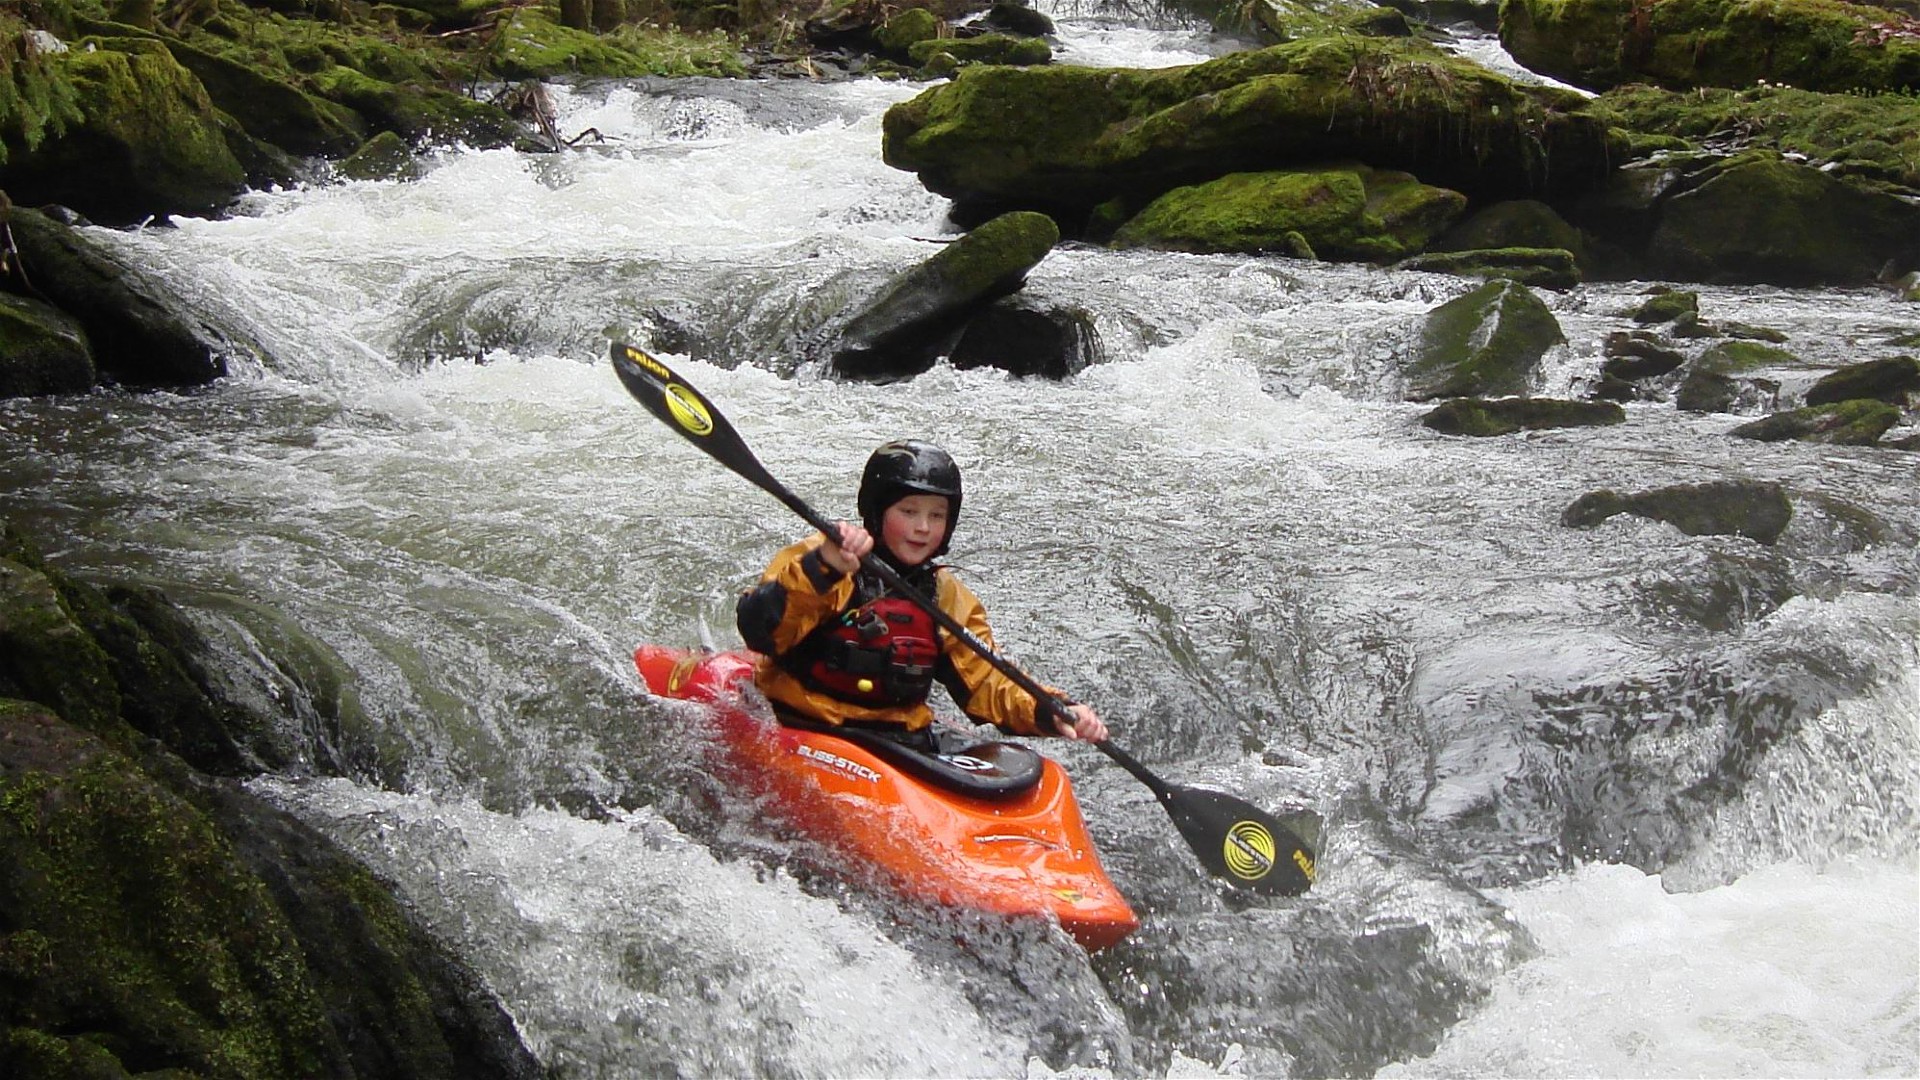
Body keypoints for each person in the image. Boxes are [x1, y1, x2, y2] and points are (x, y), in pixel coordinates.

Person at [736, 438, 1107, 749]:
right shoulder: (827, 558)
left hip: (895, 739)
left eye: (936, 516)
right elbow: (762, 630)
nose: (922, 528)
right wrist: (824, 567)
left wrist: (1052, 710)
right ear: (878, 512)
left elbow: (987, 682)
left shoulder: (945, 595)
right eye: (909, 511)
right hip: (804, 723)